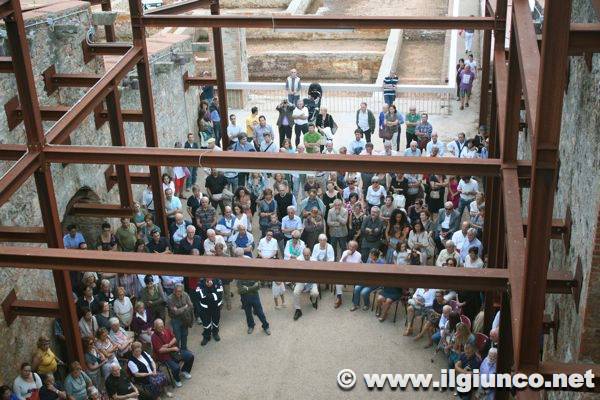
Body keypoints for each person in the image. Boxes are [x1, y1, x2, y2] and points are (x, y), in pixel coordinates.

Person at [151, 319, 194, 387]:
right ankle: (176, 379)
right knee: (176, 368)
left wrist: (168, 345)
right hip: (164, 356)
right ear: (155, 327)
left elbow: (175, 339)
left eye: (162, 326)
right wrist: (172, 348)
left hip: (174, 351)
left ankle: (185, 370)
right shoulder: (154, 337)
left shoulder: (166, 329)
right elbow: (160, 350)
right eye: (159, 327)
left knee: (190, 356)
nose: (162, 328)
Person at [293, 248, 319, 320]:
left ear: (310, 254)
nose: (306, 257)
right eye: (305, 255)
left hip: (311, 281)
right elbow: (295, 272)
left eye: (308, 255)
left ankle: (313, 300)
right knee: (295, 292)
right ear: (303, 254)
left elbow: (317, 273)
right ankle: (298, 310)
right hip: (301, 280)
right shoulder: (299, 259)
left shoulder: (314, 260)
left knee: (315, 293)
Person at [196, 278, 223, 346]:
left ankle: (215, 333)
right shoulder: (200, 283)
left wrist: (207, 295)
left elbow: (219, 294)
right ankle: (206, 337)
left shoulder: (218, 281)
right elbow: (201, 296)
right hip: (205, 309)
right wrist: (213, 295)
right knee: (206, 323)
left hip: (216, 307)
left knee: (216, 321)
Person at [336, 241, 362, 308]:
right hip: (345, 272)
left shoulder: (358, 254)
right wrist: (346, 255)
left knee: (356, 285)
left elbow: (355, 266)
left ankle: (355, 301)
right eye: (350, 246)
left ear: (356, 248)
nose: (351, 248)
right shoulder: (345, 252)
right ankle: (339, 298)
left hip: (354, 274)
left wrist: (347, 264)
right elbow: (341, 263)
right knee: (337, 281)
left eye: (353, 247)